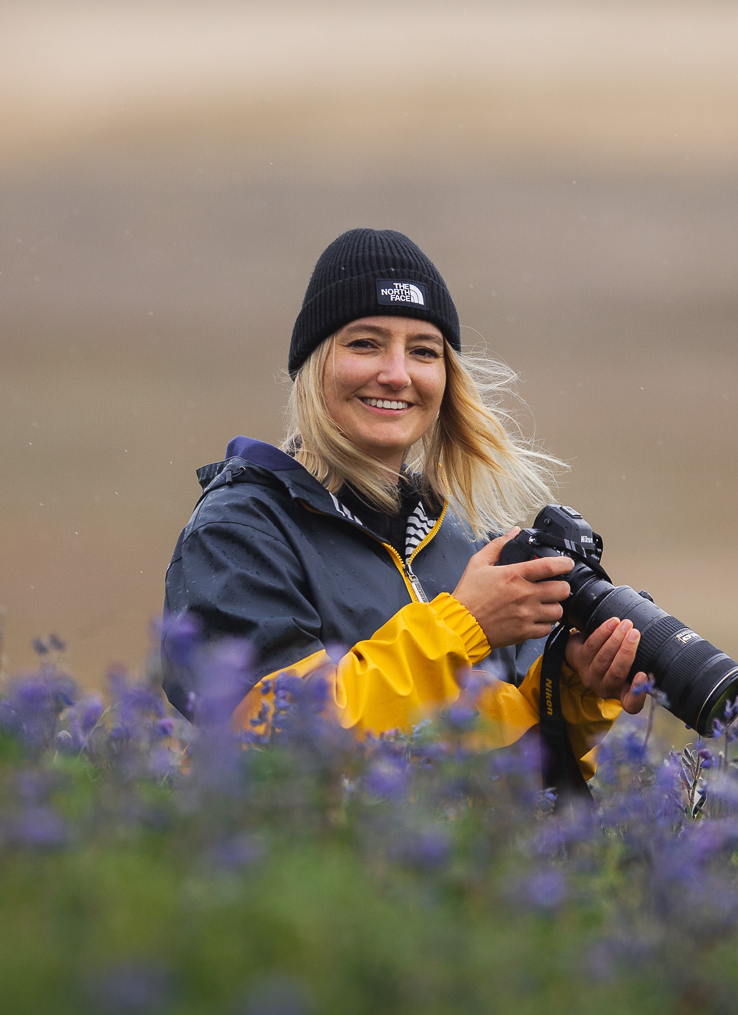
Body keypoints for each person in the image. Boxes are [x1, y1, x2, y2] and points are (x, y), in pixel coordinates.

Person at [161, 228, 646, 785]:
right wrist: (462, 627)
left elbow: (510, 776)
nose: (397, 374)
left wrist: (573, 691)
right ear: (313, 364)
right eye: (364, 343)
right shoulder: (240, 532)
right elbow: (275, 739)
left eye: (423, 351)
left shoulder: (466, 538)